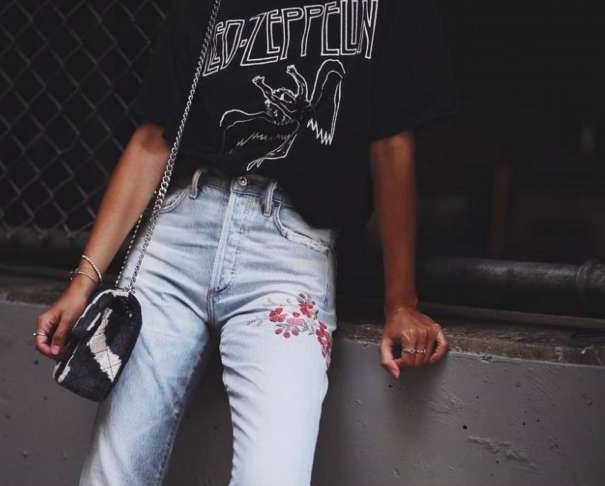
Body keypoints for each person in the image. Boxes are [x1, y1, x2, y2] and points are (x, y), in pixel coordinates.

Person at [34, 0, 458, 484]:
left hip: (287, 252)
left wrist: (401, 303)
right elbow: (153, 141)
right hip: (178, 240)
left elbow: (393, 147)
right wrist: (82, 283)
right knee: (113, 474)